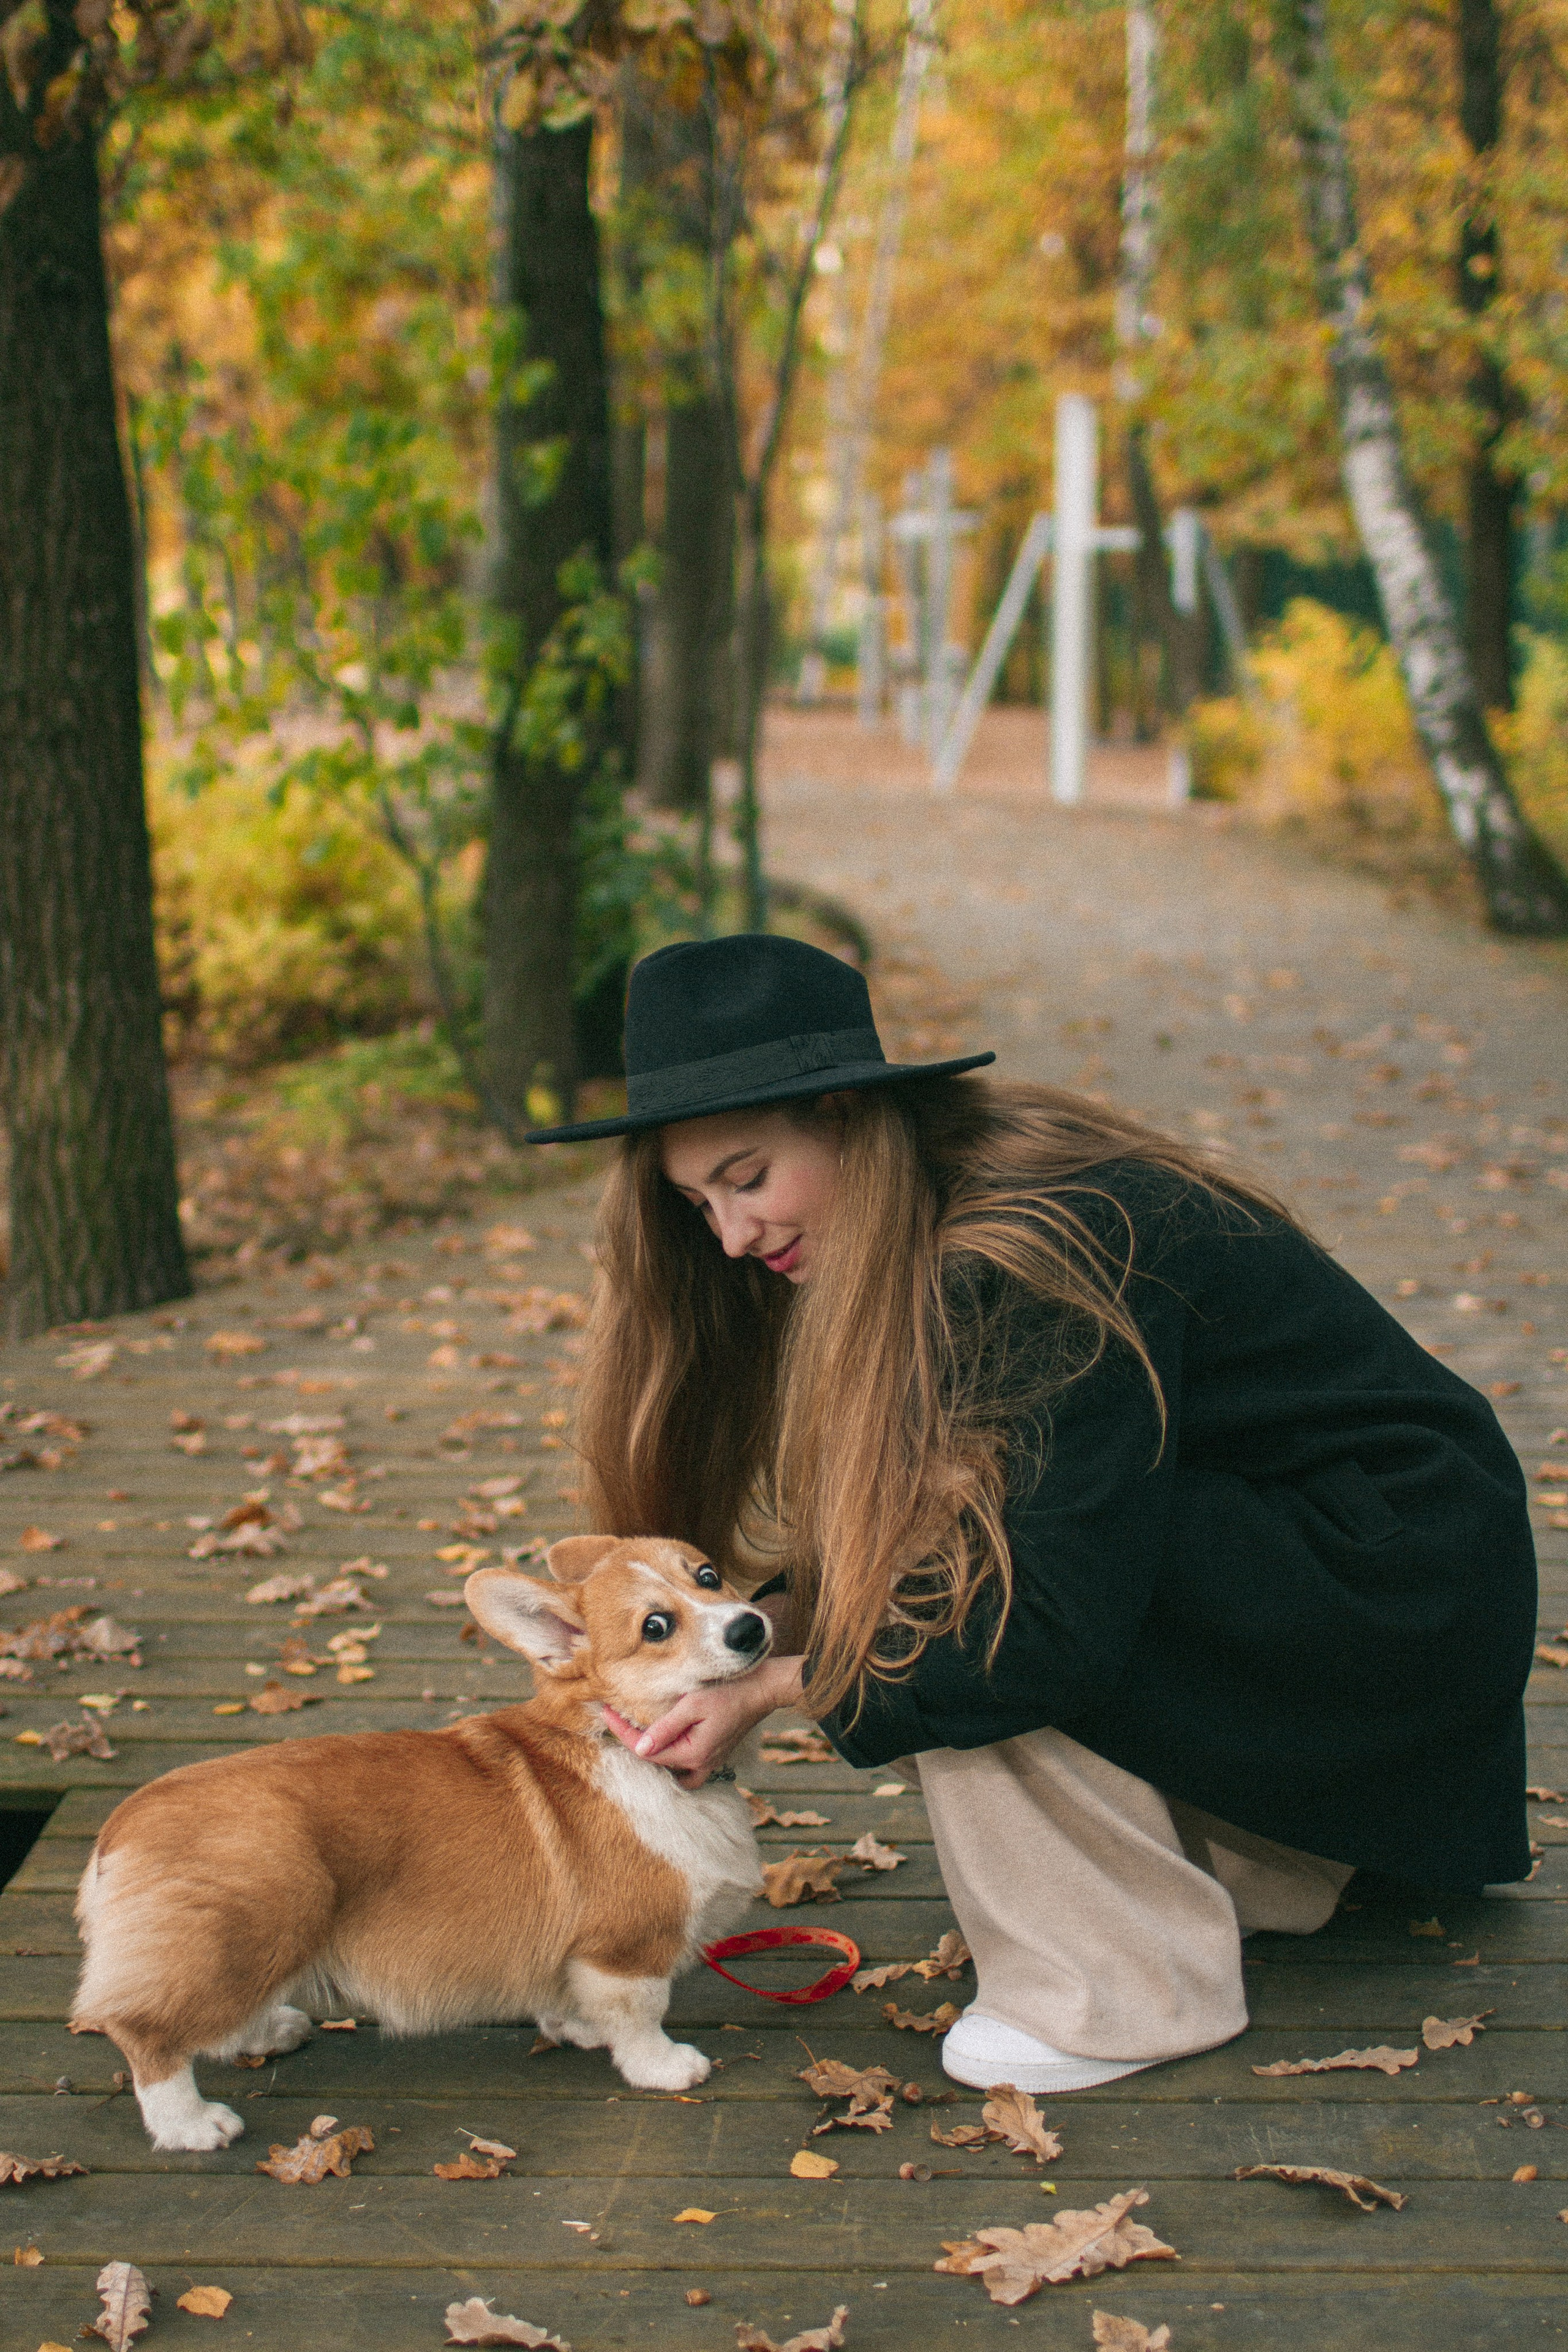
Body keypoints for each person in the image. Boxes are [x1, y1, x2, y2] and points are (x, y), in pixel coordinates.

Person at [525, 933, 1537, 2094]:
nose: (733, 1236)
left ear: (848, 1113)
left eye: (748, 1178)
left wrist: (772, 1682)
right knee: (924, 1533)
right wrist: (746, 1640)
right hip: (1334, 1587)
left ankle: (1114, 1987)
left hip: (1393, 1595)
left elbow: (1043, 1623)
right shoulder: (935, 1206)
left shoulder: (1023, 1256)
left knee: (952, 1540)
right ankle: (1262, 1868)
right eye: (698, 1202)